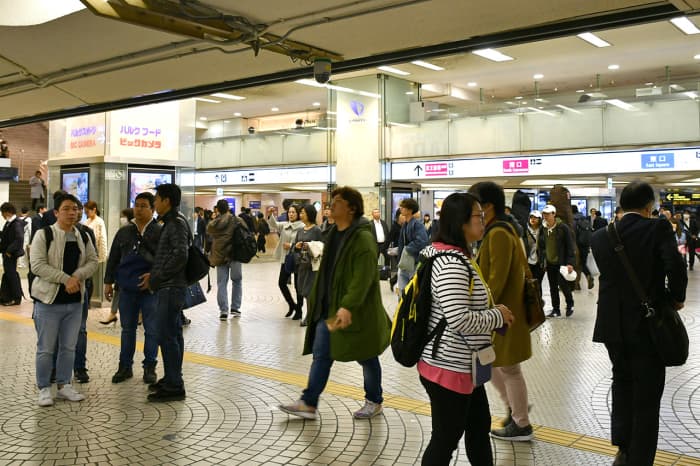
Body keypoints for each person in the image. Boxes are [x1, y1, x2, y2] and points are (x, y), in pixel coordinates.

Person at [590, 181, 687, 466]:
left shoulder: (600, 236)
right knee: (646, 393)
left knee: (621, 382)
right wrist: (675, 298)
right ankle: (640, 458)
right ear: (649, 206)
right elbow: (675, 266)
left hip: (611, 326)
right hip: (647, 325)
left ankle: (623, 448)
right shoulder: (657, 227)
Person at [278, 186, 391, 420]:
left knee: (366, 355)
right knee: (322, 354)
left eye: (337, 202)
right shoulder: (334, 233)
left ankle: (374, 400)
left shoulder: (362, 238)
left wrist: (348, 305)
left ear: (351, 208)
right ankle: (309, 403)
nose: (331, 206)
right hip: (329, 308)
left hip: (355, 311)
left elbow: (363, 276)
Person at [418, 192, 514, 464]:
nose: (483, 221)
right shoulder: (451, 264)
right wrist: (498, 316)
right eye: (477, 216)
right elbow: (459, 318)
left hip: (466, 366)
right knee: (446, 439)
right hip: (448, 367)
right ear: (460, 222)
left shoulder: (460, 256)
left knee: (477, 428)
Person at [468, 181, 533, 442]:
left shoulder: (498, 234)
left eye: (475, 205)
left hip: (504, 315)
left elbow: (496, 278)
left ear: (487, 206)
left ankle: (521, 423)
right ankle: (516, 407)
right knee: (493, 363)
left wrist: (481, 309)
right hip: (503, 313)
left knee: (509, 369)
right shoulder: (503, 230)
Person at [31, 193, 98, 407]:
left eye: (75, 209)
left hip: (74, 302)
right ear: (56, 212)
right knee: (46, 348)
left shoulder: (83, 235)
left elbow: (93, 261)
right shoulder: (44, 235)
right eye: (67, 209)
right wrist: (65, 279)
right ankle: (43, 388)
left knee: (69, 346)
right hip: (48, 302)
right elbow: (37, 265)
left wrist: (77, 277)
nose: (72, 213)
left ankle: (63, 385)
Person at [104, 192, 161, 385]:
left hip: (151, 290)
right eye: (136, 205)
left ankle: (149, 367)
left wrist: (154, 276)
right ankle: (125, 366)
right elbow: (113, 258)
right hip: (127, 288)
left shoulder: (159, 231)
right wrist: (108, 282)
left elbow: (165, 260)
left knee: (152, 329)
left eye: (144, 205)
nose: (138, 209)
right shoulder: (124, 231)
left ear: (153, 209)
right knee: (127, 329)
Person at [147, 183, 189, 402]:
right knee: (173, 334)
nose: (155, 203)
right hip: (170, 285)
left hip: (170, 287)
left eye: (157, 199)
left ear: (166, 201)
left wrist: (158, 276)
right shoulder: (173, 221)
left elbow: (180, 255)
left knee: (167, 335)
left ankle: (174, 385)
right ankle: (173, 378)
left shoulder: (175, 224)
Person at [208, 199, 245, 320]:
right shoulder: (236, 220)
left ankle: (223, 311)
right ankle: (235, 307)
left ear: (217, 209)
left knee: (221, 283)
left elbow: (208, 231)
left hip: (220, 257)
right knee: (237, 281)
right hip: (234, 255)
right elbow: (246, 231)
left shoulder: (213, 224)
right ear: (228, 208)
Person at [268, 204, 304, 318]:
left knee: (298, 286)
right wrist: (271, 214)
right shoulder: (285, 225)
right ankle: (292, 305)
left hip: (298, 259)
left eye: (293, 212)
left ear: (298, 214)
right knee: (281, 283)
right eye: (289, 212)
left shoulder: (302, 227)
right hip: (286, 258)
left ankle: (299, 310)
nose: (291, 214)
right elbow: (274, 224)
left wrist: (292, 245)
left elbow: (303, 243)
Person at [539, 204, 575, 317]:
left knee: (563, 285)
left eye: (548, 214)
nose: (546, 216)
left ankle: (570, 304)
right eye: (544, 214)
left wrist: (570, 262)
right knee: (552, 286)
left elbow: (570, 245)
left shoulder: (562, 227)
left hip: (561, 262)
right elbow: (542, 245)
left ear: (554, 214)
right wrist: (543, 259)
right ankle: (556, 309)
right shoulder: (543, 228)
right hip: (550, 262)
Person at [292, 204, 323, 325]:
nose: (301, 215)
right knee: (302, 290)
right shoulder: (300, 230)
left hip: (312, 266)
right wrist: (297, 246)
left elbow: (321, 246)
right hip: (302, 264)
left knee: (310, 291)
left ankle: (310, 316)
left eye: (303, 213)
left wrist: (309, 246)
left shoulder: (317, 230)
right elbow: (294, 246)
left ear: (309, 214)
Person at [397, 198, 429, 294]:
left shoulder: (417, 224)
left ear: (410, 210)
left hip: (413, 262)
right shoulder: (405, 224)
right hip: (405, 263)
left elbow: (422, 241)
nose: (401, 208)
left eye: (403, 207)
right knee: (403, 291)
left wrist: (407, 249)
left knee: (412, 291)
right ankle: (402, 308)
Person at [0, 202, 25, 305]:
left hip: (10, 254)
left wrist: (9, 251)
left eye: (2, 213)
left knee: (11, 275)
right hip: (6, 253)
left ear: (8, 212)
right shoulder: (9, 223)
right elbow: (6, 235)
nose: (2, 215)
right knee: (8, 274)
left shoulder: (16, 223)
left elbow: (19, 239)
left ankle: (16, 297)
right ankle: (5, 296)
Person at [524, 210, 545, 302]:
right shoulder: (525, 230)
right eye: (531, 217)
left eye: (535, 218)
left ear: (539, 219)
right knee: (527, 284)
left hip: (539, 261)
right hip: (527, 261)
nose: (533, 219)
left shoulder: (543, 230)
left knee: (538, 283)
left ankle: (538, 304)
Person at [572, 204, 594, 290]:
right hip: (585, 245)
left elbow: (572, 234)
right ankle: (587, 276)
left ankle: (576, 284)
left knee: (575, 264)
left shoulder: (573, 220)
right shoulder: (585, 219)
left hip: (577, 246)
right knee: (582, 264)